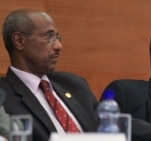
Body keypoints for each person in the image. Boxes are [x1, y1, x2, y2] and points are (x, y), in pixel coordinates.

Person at [0, 9, 99, 141]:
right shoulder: (3, 96)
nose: (59, 46)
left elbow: (110, 126)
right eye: (49, 36)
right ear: (19, 41)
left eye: (58, 38)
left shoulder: (74, 84)